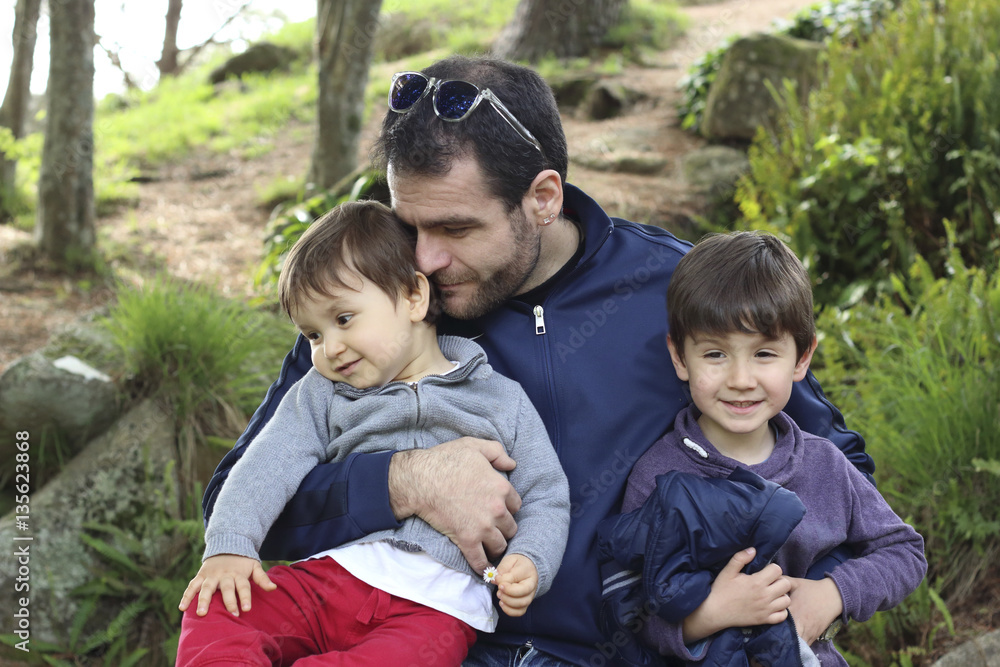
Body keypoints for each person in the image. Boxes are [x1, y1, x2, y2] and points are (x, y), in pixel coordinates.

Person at [202, 55, 876, 666]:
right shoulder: (378, 311)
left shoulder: (675, 290)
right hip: (440, 645)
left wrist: (824, 593)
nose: (425, 259)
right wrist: (401, 481)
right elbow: (238, 495)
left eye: (456, 228)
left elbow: (835, 464)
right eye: (411, 225)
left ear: (543, 198)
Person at [176, 200, 570, 666]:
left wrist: (531, 559)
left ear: (414, 297)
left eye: (343, 319)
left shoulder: (499, 397)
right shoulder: (322, 393)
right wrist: (230, 544)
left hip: (434, 608)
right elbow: (266, 464)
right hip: (329, 578)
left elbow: (545, 493)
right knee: (218, 602)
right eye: (313, 335)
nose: (329, 349)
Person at [600, 231, 926, 666]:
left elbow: (904, 551)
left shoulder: (825, 464)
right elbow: (625, 600)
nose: (741, 379)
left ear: (802, 358)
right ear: (679, 357)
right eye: (715, 354)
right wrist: (705, 616)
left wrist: (832, 595)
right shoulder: (656, 473)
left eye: (764, 354)